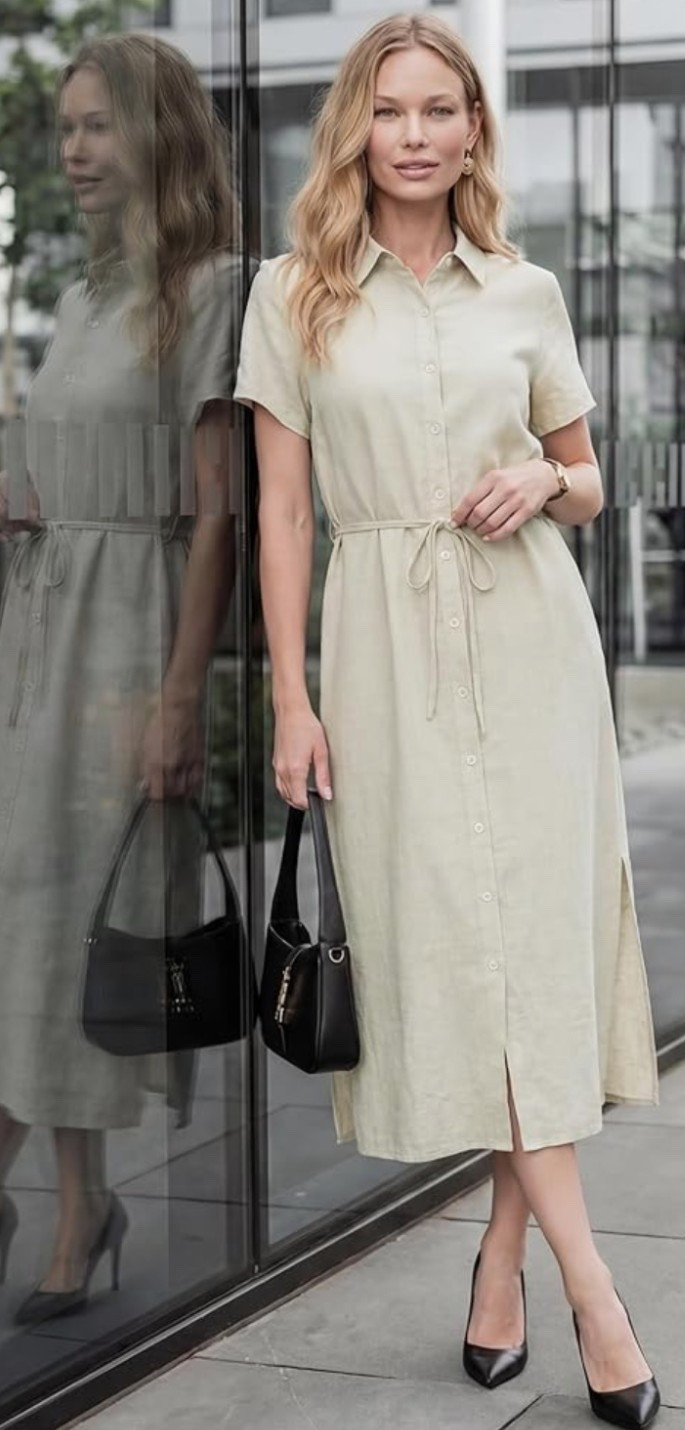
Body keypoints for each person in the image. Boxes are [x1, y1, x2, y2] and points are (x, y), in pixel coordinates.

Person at [234, 11, 661, 1427]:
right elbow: (283, 512)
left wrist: (546, 485)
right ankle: (580, 1282)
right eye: (390, 109)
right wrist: (290, 693)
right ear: (356, 126)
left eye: (441, 109)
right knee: (461, 962)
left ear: (474, 128)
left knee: (526, 964)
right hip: (384, 658)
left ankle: (535, 1273)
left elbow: (588, 477)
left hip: (534, 645)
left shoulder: (524, 292)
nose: (415, 134)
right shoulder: (295, 294)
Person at [0, 33, 240, 1326]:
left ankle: (70, 1207)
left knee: (72, 925)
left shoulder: (209, 290)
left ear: (155, 133)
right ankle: (79, 1201)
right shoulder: (87, 292)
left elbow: (215, 517)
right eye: (66, 130)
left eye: (97, 127)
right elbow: (62, 465)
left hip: (123, 641)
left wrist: (178, 696)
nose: (75, 153)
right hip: (36, 630)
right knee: (30, 921)